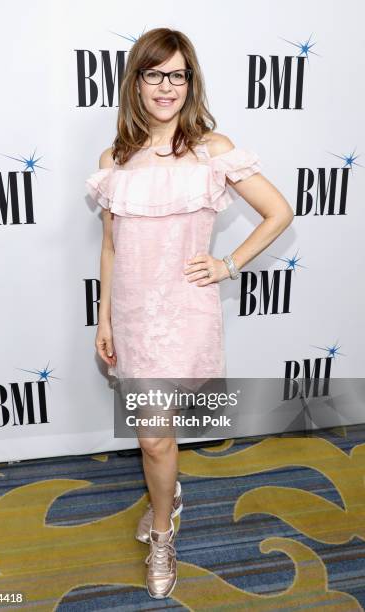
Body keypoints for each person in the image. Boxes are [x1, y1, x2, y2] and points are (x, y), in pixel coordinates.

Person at [86, 27, 294, 600]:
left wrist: (228, 265)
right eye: (154, 74)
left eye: (177, 75)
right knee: (156, 438)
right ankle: (167, 503)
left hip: (184, 309)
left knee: (156, 438)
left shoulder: (213, 151)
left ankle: (160, 531)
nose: (166, 86)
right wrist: (103, 318)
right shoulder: (115, 159)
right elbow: (111, 248)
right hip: (132, 311)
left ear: (190, 82)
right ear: (136, 81)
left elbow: (279, 211)